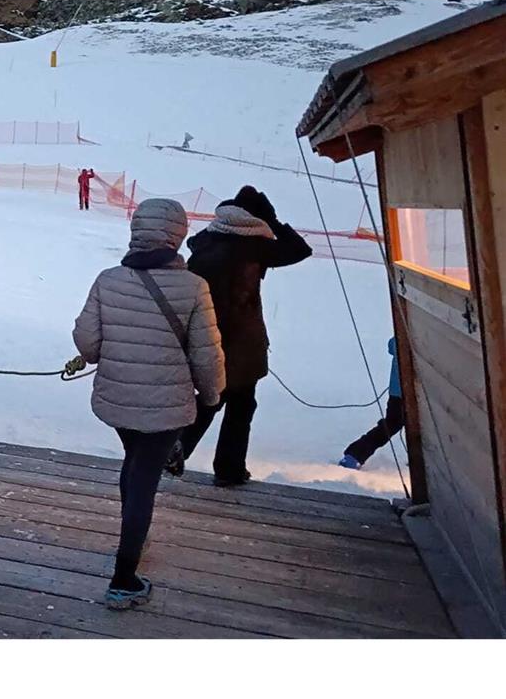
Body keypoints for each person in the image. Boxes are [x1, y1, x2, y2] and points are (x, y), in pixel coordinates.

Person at [73, 198, 225, 609]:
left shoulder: (108, 280)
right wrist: (211, 397)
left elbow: (87, 343)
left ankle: (131, 540)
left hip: (119, 397)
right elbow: (207, 355)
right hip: (169, 405)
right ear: (178, 236)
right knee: (144, 480)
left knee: (135, 465)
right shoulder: (194, 287)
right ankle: (124, 579)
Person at [167, 185, 312, 487]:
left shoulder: (207, 240)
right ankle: (226, 468)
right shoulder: (254, 246)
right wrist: (273, 220)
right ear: (255, 216)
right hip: (241, 344)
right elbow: (300, 249)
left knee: (214, 399)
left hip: (205, 335)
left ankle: (179, 450)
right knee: (237, 405)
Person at [339, 337, 404, 469]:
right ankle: (355, 454)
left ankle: (355, 454)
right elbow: (393, 346)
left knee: (394, 424)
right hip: (399, 392)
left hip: (399, 391)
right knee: (392, 424)